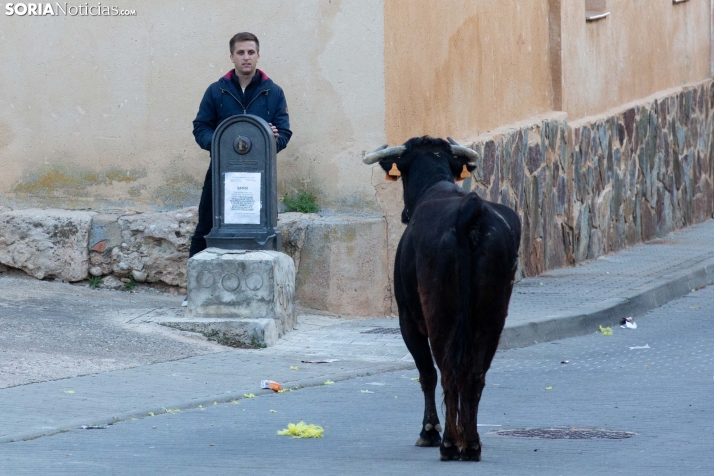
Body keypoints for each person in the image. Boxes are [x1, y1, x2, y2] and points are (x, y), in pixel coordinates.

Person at [185, 32, 292, 306]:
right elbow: (201, 127)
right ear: (232, 56)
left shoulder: (273, 92)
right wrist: (221, 147)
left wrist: (270, 141)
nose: (246, 57)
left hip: (259, 176)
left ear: (258, 55)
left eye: (251, 52)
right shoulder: (216, 90)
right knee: (205, 227)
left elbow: (284, 132)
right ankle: (193, 293)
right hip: (221, 174)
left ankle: (260, 294)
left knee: (261, 229)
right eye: (241, 52)